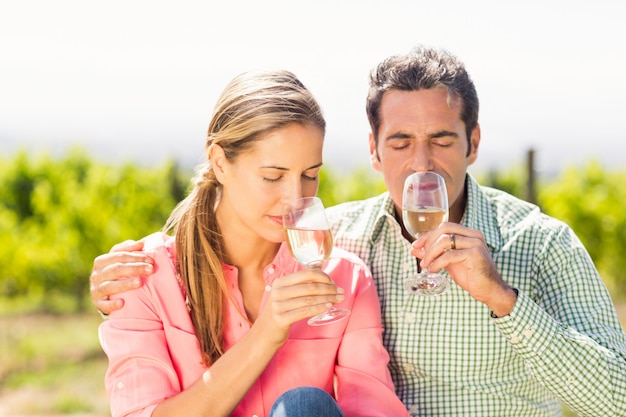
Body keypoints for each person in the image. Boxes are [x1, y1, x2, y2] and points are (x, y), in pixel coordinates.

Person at [90, 47, 626, 416]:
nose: (422, 164)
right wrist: (119, 282)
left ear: (474, 142)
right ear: (373, 150)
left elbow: (617, 399)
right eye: (399, 142)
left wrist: (503, 299)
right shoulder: (332, 240)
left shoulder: (538, 242)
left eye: (441, 139)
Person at [96, 69, 409, 417]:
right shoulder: (145, 276)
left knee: (304, 406)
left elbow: (375, 409)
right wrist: (264, 336)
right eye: (272, 176)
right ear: (220, 163)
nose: (295, 197)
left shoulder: (345, 279)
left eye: (310, 175)